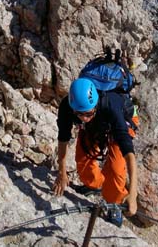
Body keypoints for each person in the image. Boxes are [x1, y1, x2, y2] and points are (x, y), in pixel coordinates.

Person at [52, 77, 139, 226]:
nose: (84, 118)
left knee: (116, 169)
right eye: (80, 114)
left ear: (96, 105)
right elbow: (63, 139)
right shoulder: (68, 106)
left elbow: (129, 154)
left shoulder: (110, 105)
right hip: (96, 125)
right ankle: (96, 186)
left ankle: (114, 203)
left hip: (123, 121)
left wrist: (133, 193)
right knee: (83, 162)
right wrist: (62, 172)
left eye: (88, 114)